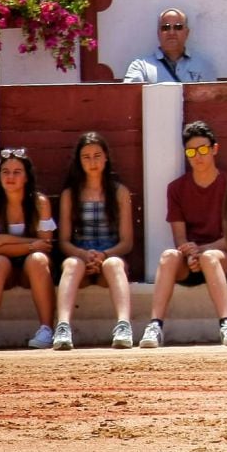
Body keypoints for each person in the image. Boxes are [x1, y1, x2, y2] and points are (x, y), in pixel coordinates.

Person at [139, 121, 227, 349]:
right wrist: (189, 252)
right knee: (168, 256)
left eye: (203, 149)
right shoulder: (176, 189)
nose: (198, 156)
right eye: (191, 151)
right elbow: (179, 238)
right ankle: (155, 325)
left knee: (211, 257)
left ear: (215, 149)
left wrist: (202, 250)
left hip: (220, 257)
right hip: (189, 260)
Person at [0, 148, 57, 351]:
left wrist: (3, 241)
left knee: (38, 260)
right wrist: (29, 245)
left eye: (17, 172)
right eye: (5, 172)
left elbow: (45, 245)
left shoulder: (39, 203)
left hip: (31, 269)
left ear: (27, 177)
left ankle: (46, 329)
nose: (10, 177)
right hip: (3, 269)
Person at [53, 132, 134, 349]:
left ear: (106, 157)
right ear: (79, 161)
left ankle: (124, 325)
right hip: (81, 259)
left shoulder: (119, 192)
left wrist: (105, 255)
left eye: (97, 155)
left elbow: (127, 242)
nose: (93, 162)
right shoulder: (71, 194)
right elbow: (63, 241)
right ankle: (63, 327)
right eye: (86, 157)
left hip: (109, 257)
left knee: (115, 264)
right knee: (70, 264)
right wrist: (83, 254)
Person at [123, 8, 212, 84]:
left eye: (178, 27)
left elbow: (210, 102)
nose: (171, 32)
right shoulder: (141, 67)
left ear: (187, 33)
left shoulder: (203, 66)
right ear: (158, 33)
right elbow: (130, 99)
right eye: (166, 28)